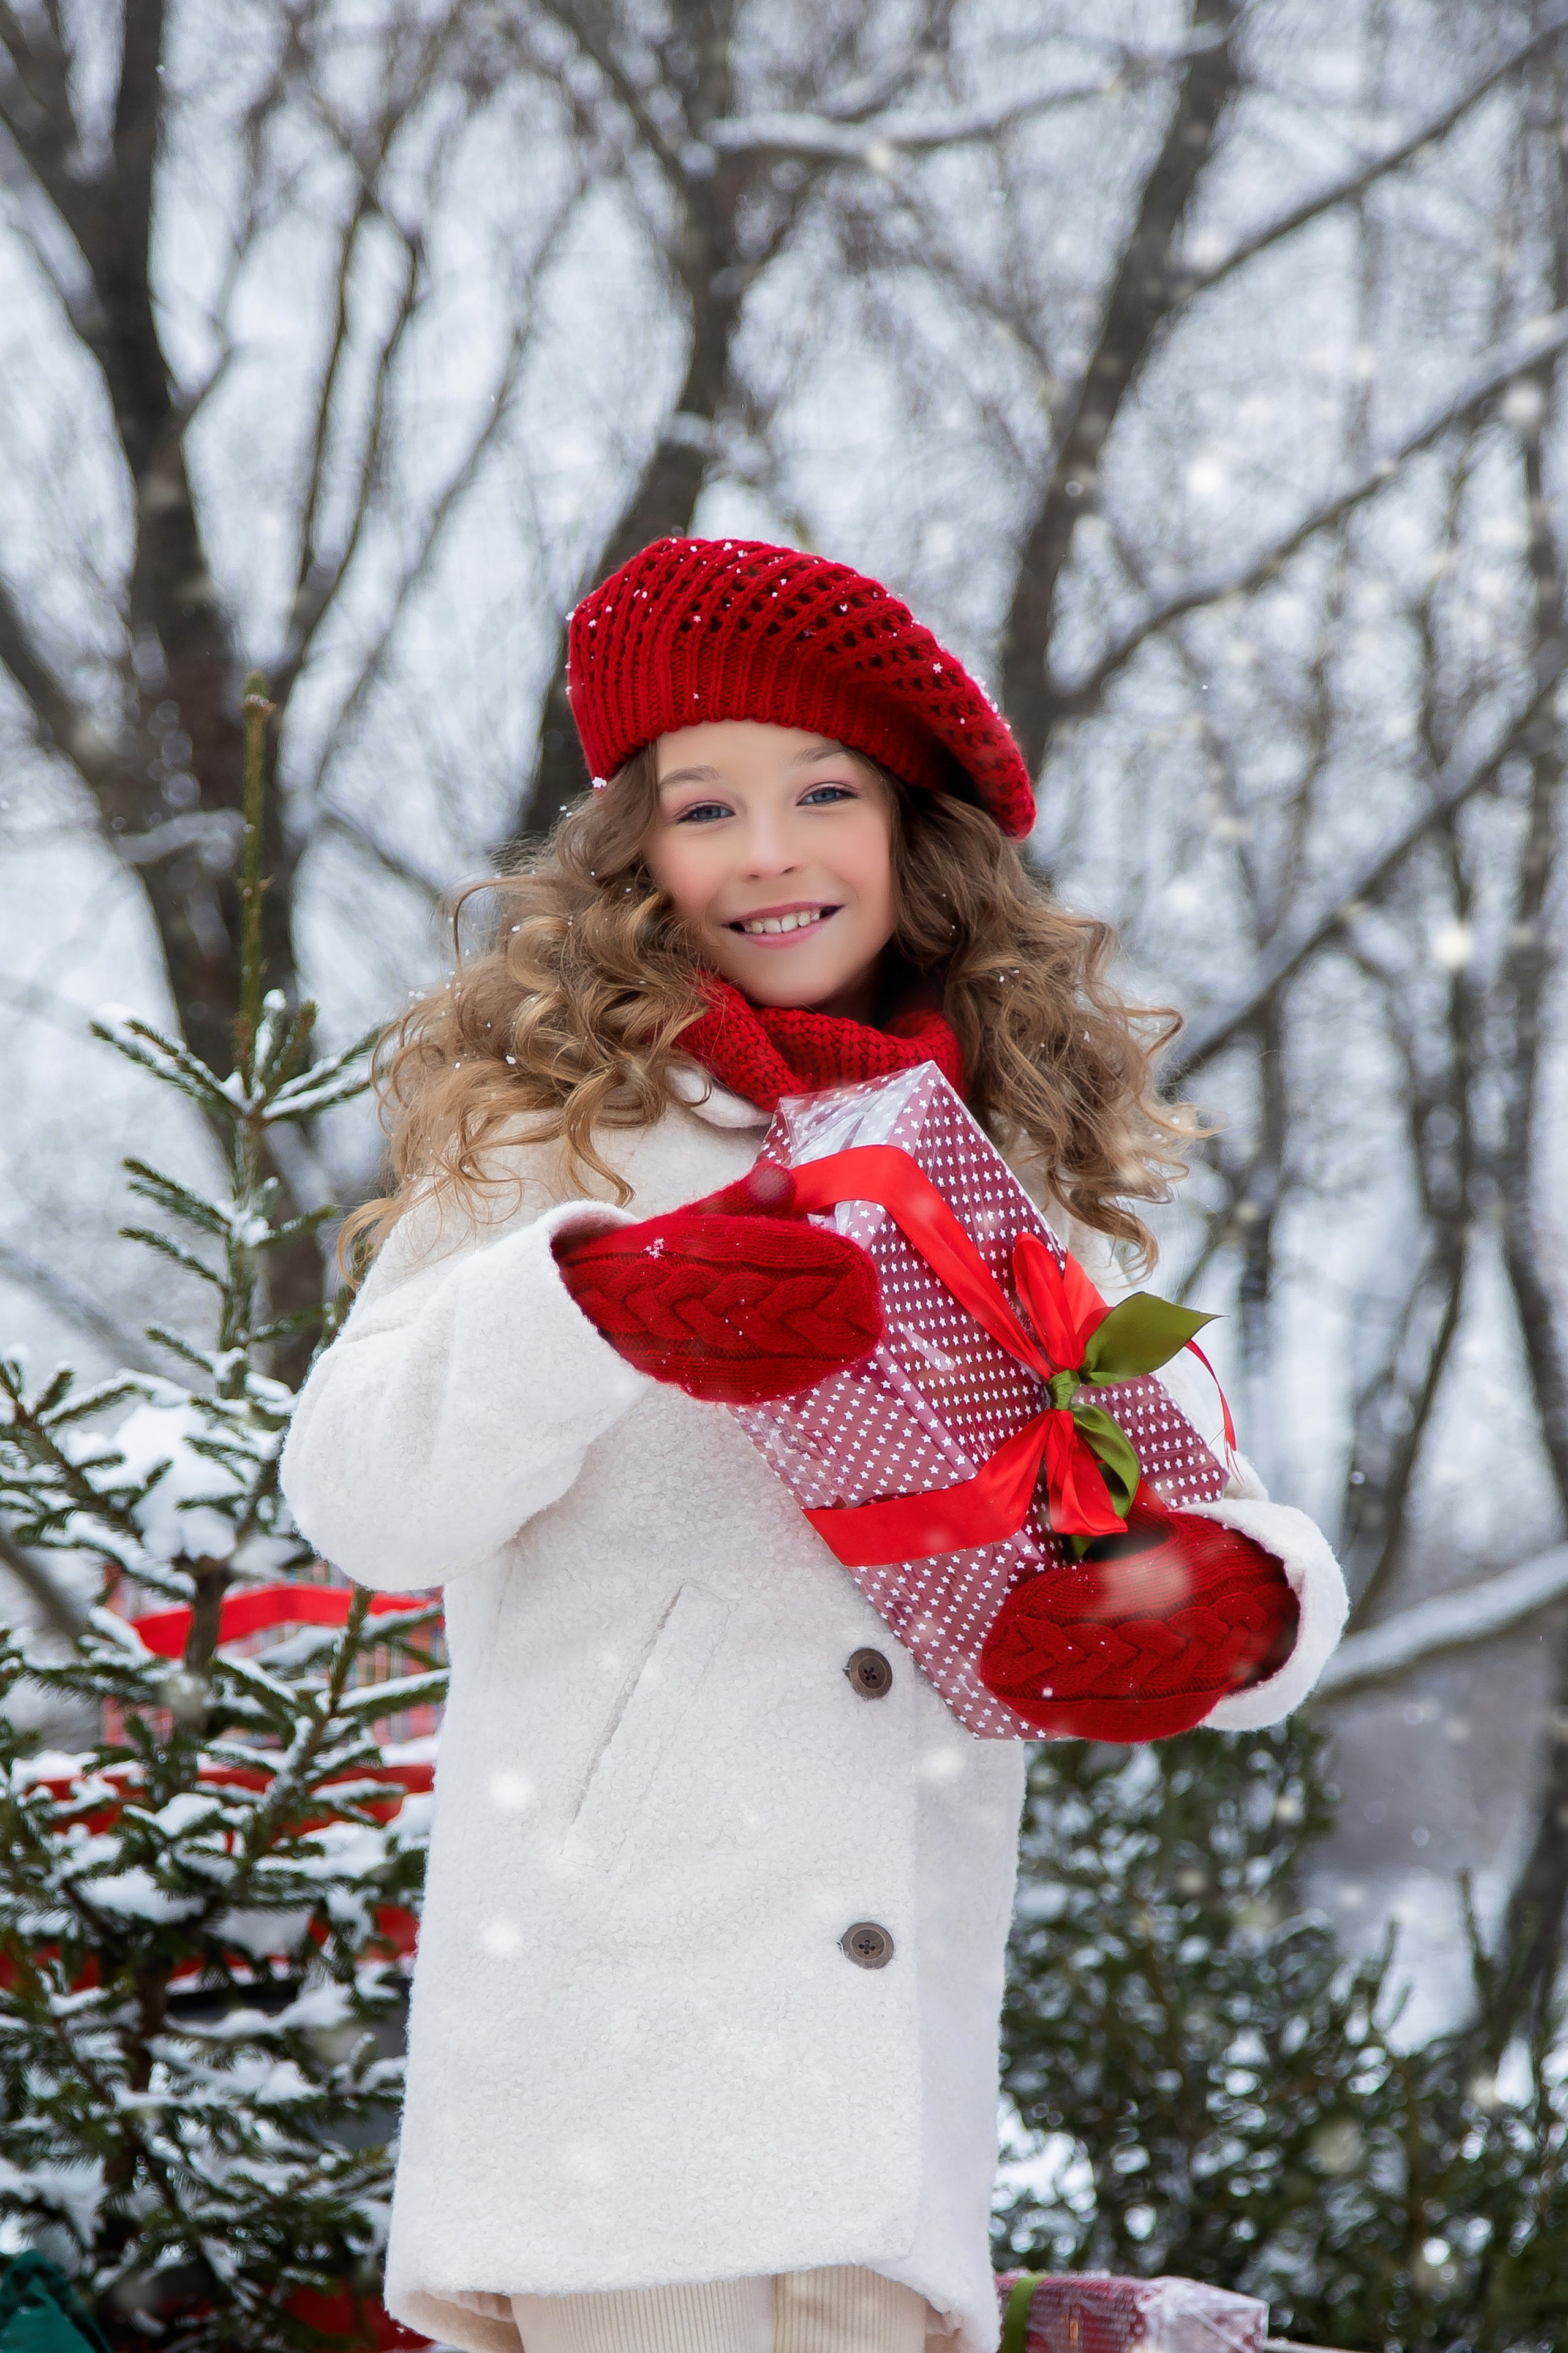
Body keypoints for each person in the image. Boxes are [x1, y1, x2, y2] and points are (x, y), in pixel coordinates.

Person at [280, 538, 1347, 2353]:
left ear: (914, 831)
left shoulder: (1012, 1174)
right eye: (707, 805)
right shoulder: (563, 1143)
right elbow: (361, 1495)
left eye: (823, 791)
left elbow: (1204, 1496)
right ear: (640, 857)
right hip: (618, 2088)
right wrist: (593, 1301)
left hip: (893, 2137)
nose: (767, 849)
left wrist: (1232, 1612)